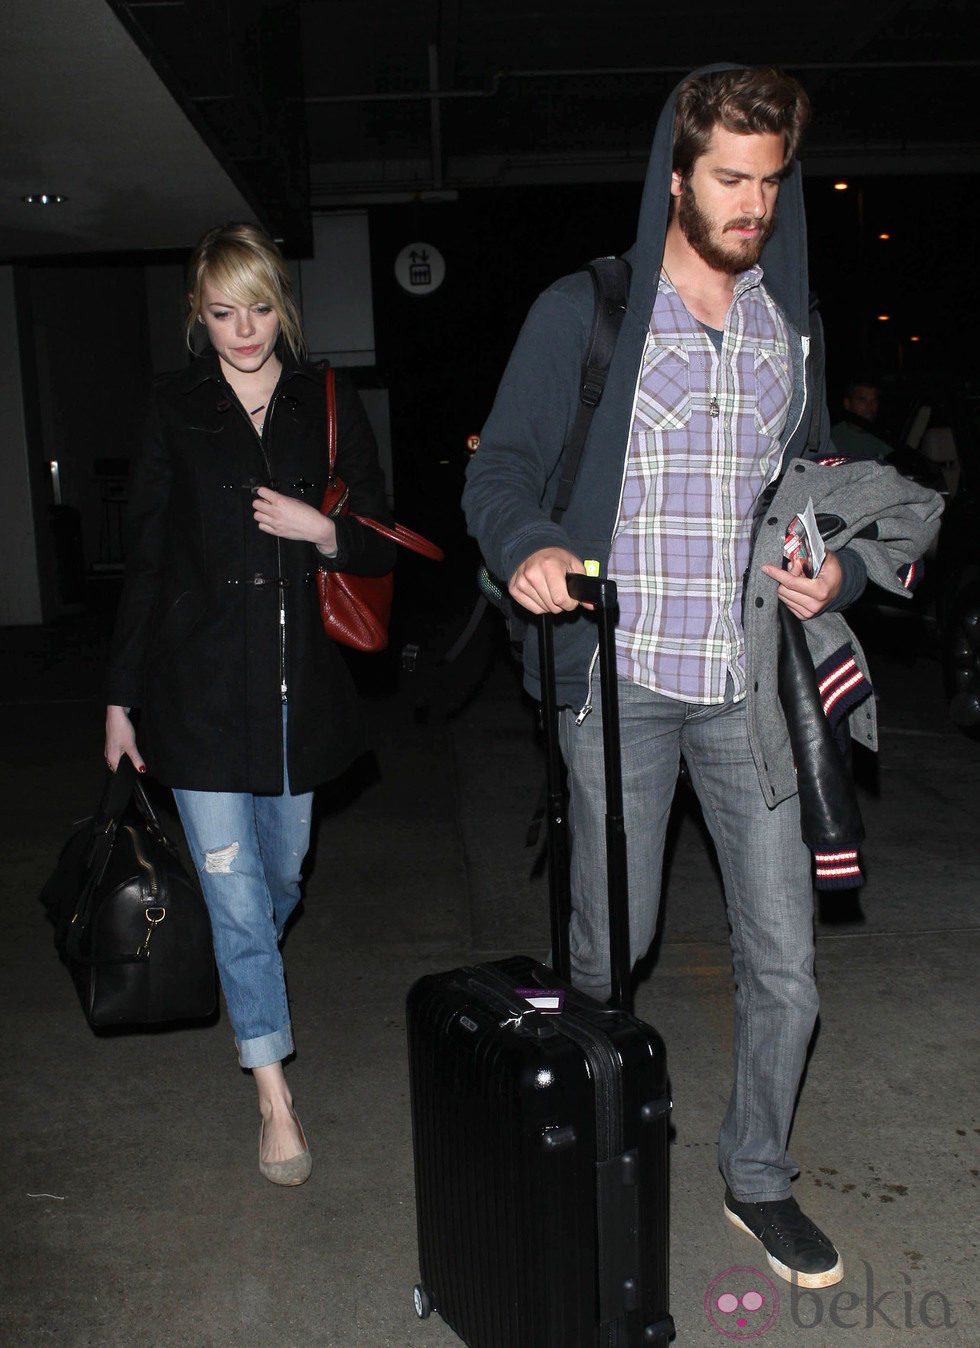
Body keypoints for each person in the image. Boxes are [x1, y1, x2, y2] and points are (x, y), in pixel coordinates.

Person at [464, 66, 941, 1287]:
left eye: (770, 181)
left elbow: (808, 496)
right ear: (673, 177)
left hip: (748, 690)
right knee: (600, 951)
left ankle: (756, 1175)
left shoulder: (792, 325)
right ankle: (577, 1148)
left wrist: (827, 579)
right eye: (729, 179)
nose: (753, 204)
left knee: (785, 957)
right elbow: (498, 476)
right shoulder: (585, 312)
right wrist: (524, 552)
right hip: (616, 683)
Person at [104, 222, 394, 1185]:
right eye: (222, 312)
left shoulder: (325, 399)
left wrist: (325, 529)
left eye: (259, 308)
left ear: (285, 305)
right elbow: (144, 561)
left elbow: (384, 541)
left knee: (278, 884)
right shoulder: (174, 408)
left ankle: (241, 968)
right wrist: (119, 699)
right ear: (199, 313)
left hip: (296, 702)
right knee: (235, 901)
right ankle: (275, 1099)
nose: (243, 330)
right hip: (196, 703)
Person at [831, 377, 893, 460]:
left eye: (874, 401)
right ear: (847, 403)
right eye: (862, 400)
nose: (869, 406)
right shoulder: (831, 438)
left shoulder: (886, 440)